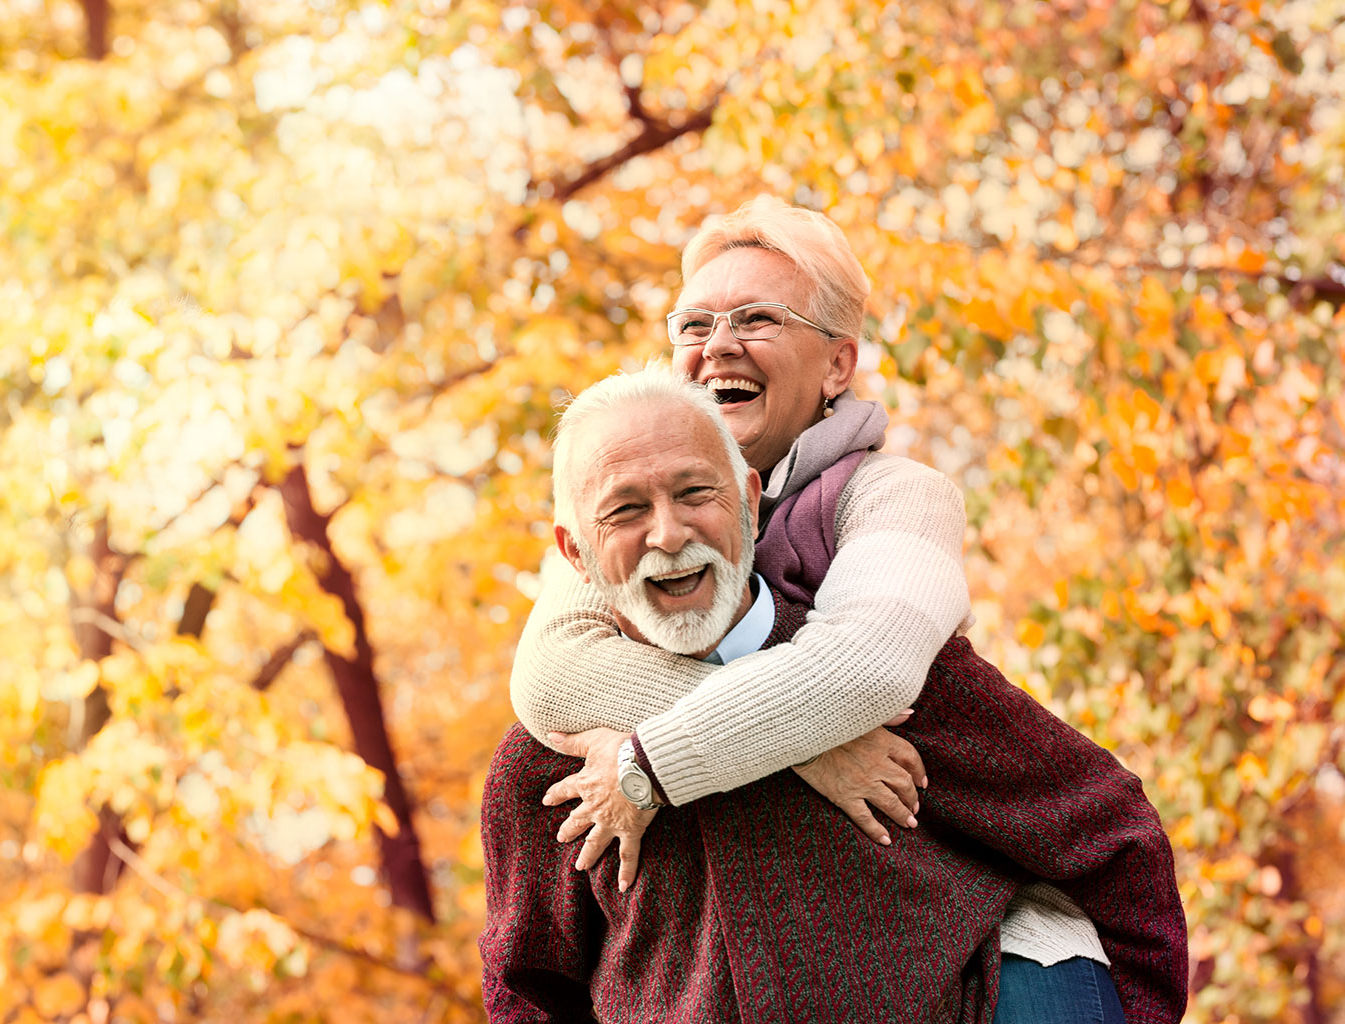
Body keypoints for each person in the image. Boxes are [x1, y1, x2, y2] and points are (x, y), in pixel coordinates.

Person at [509, 198, 1188, 1021]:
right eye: (695, 324)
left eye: (758, 318)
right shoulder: (625, 518)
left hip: (985, 939)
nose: (718, 343)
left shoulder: (893, 496)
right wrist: (807, 756)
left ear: (837, 367)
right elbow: (553, 672)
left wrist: (653, 761)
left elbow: (865, 670)